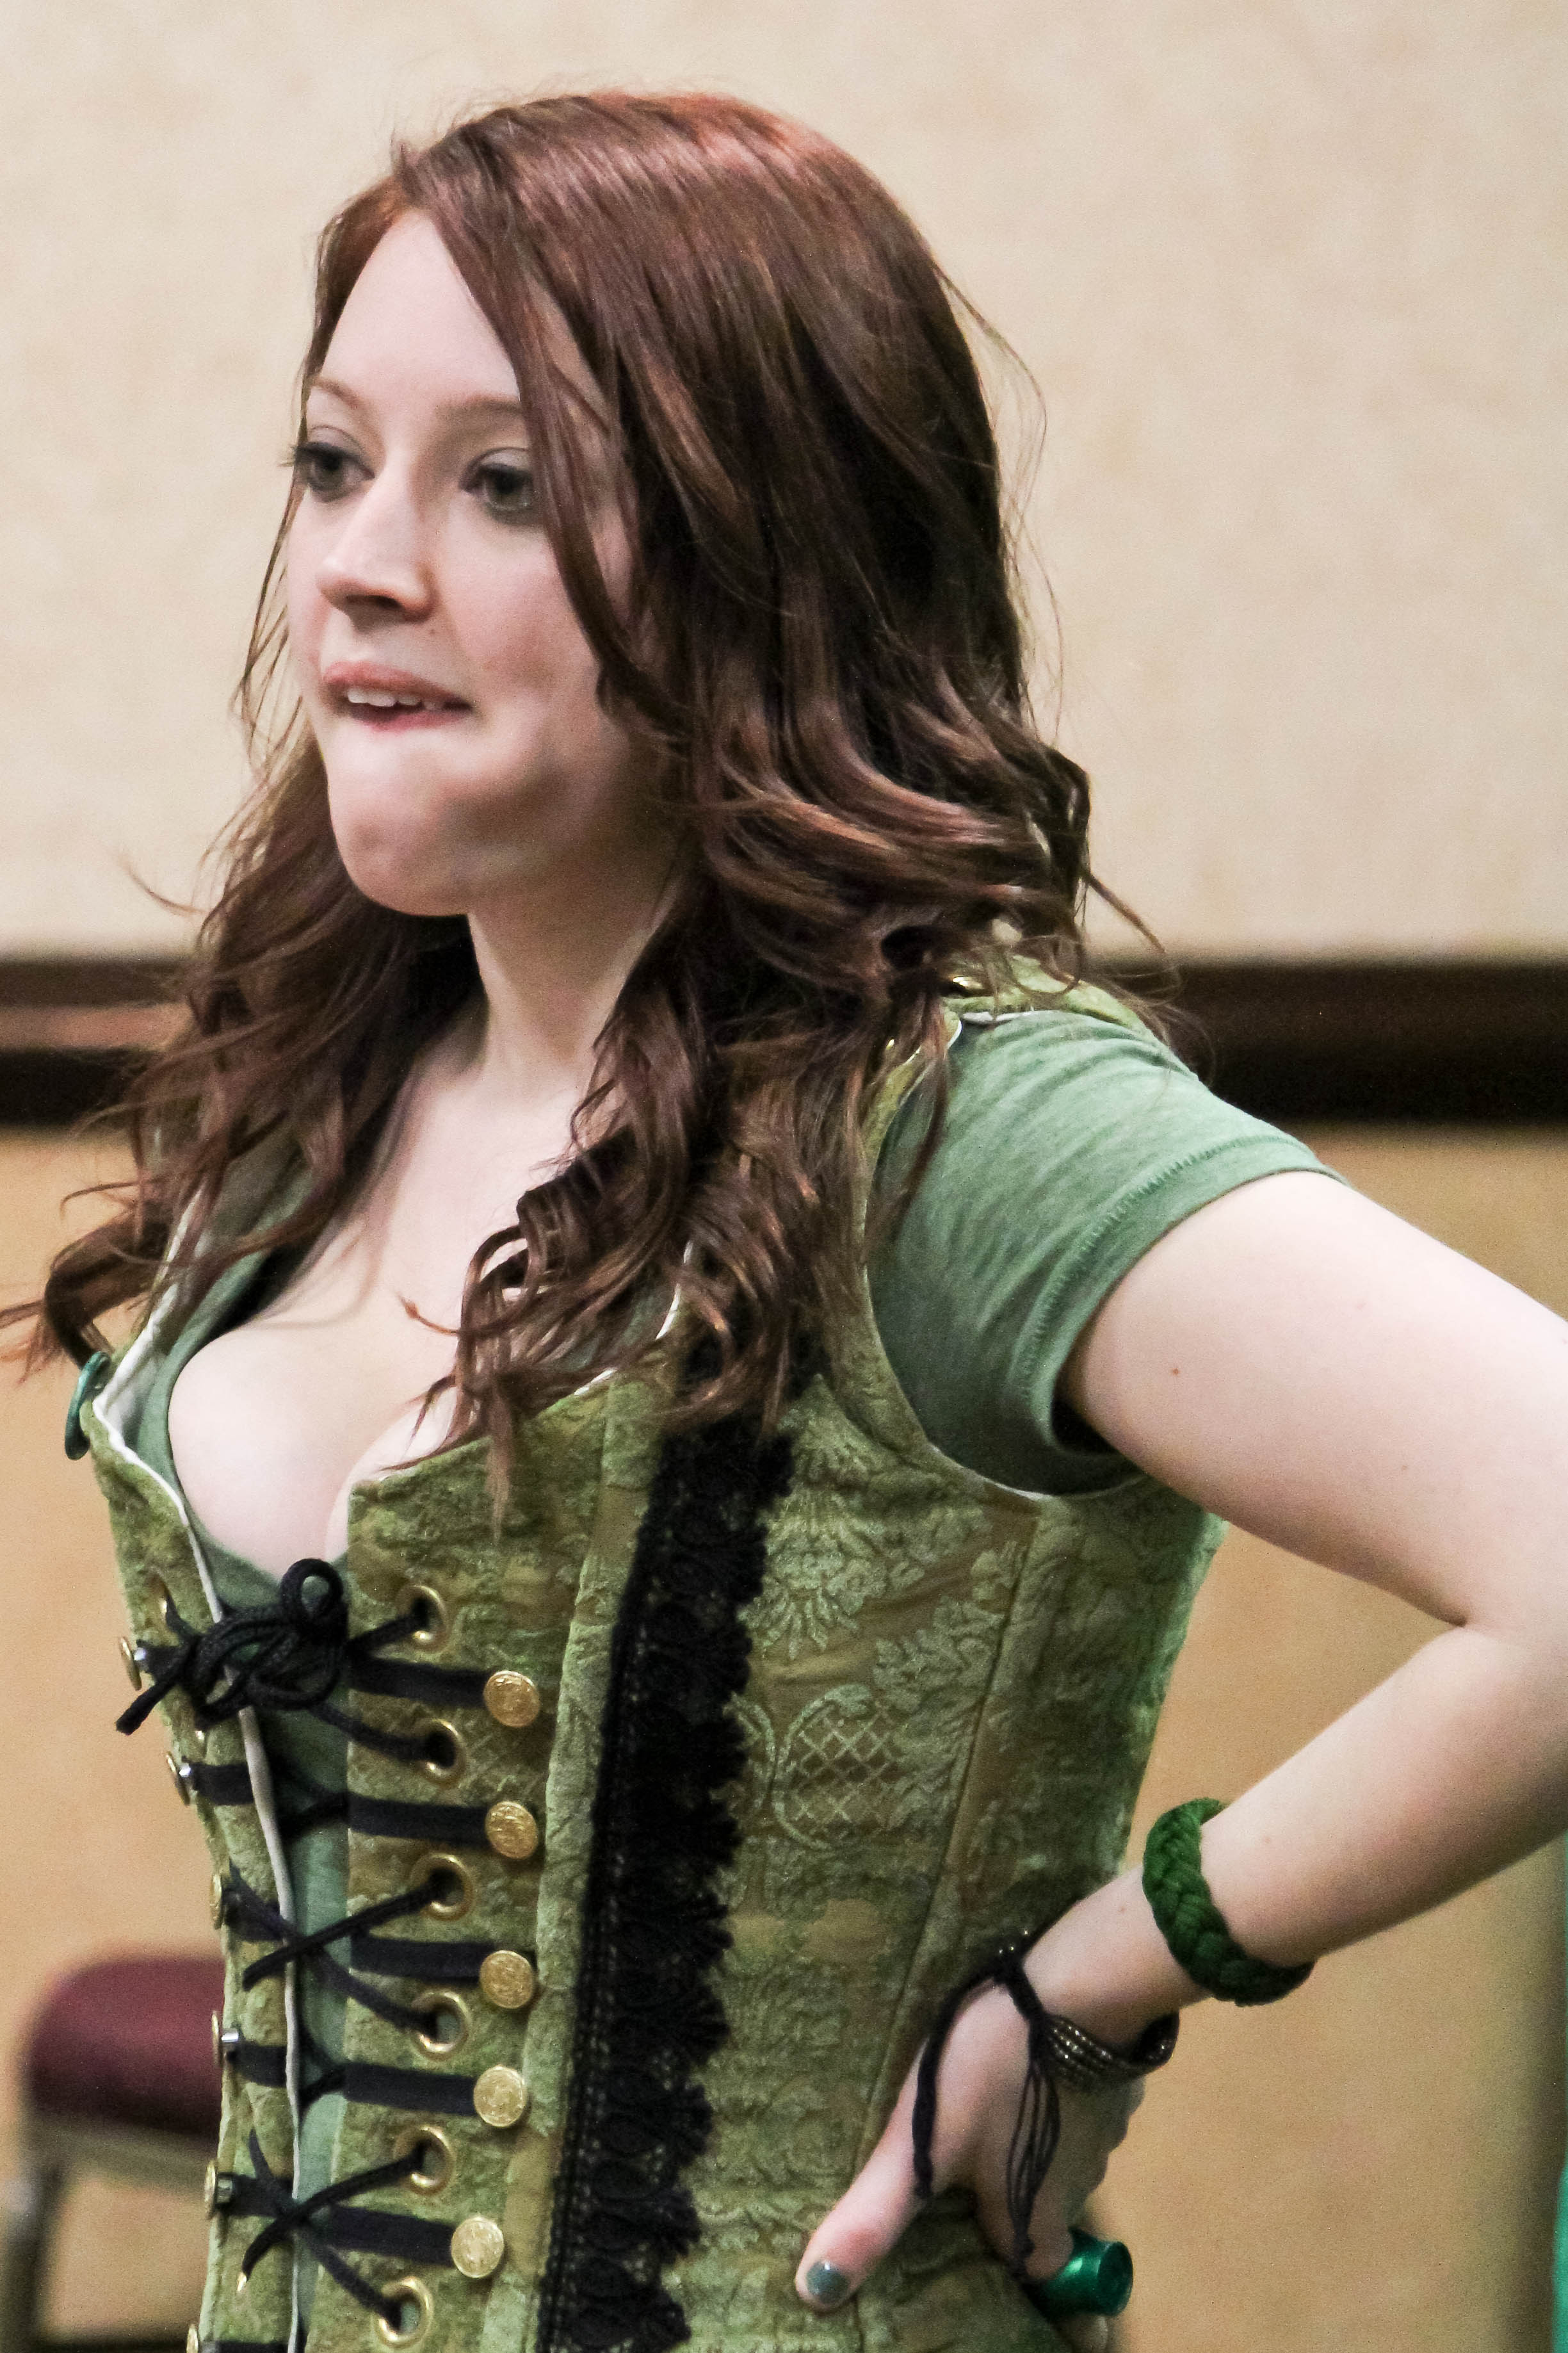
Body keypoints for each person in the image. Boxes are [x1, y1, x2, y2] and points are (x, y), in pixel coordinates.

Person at [17, 90, 1568, 2353]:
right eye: (334, 461)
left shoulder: (963, 1127)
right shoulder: (330, 1069)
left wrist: (1110, 1972)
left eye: (507, 482)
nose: (358, 560)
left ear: (771, 552)